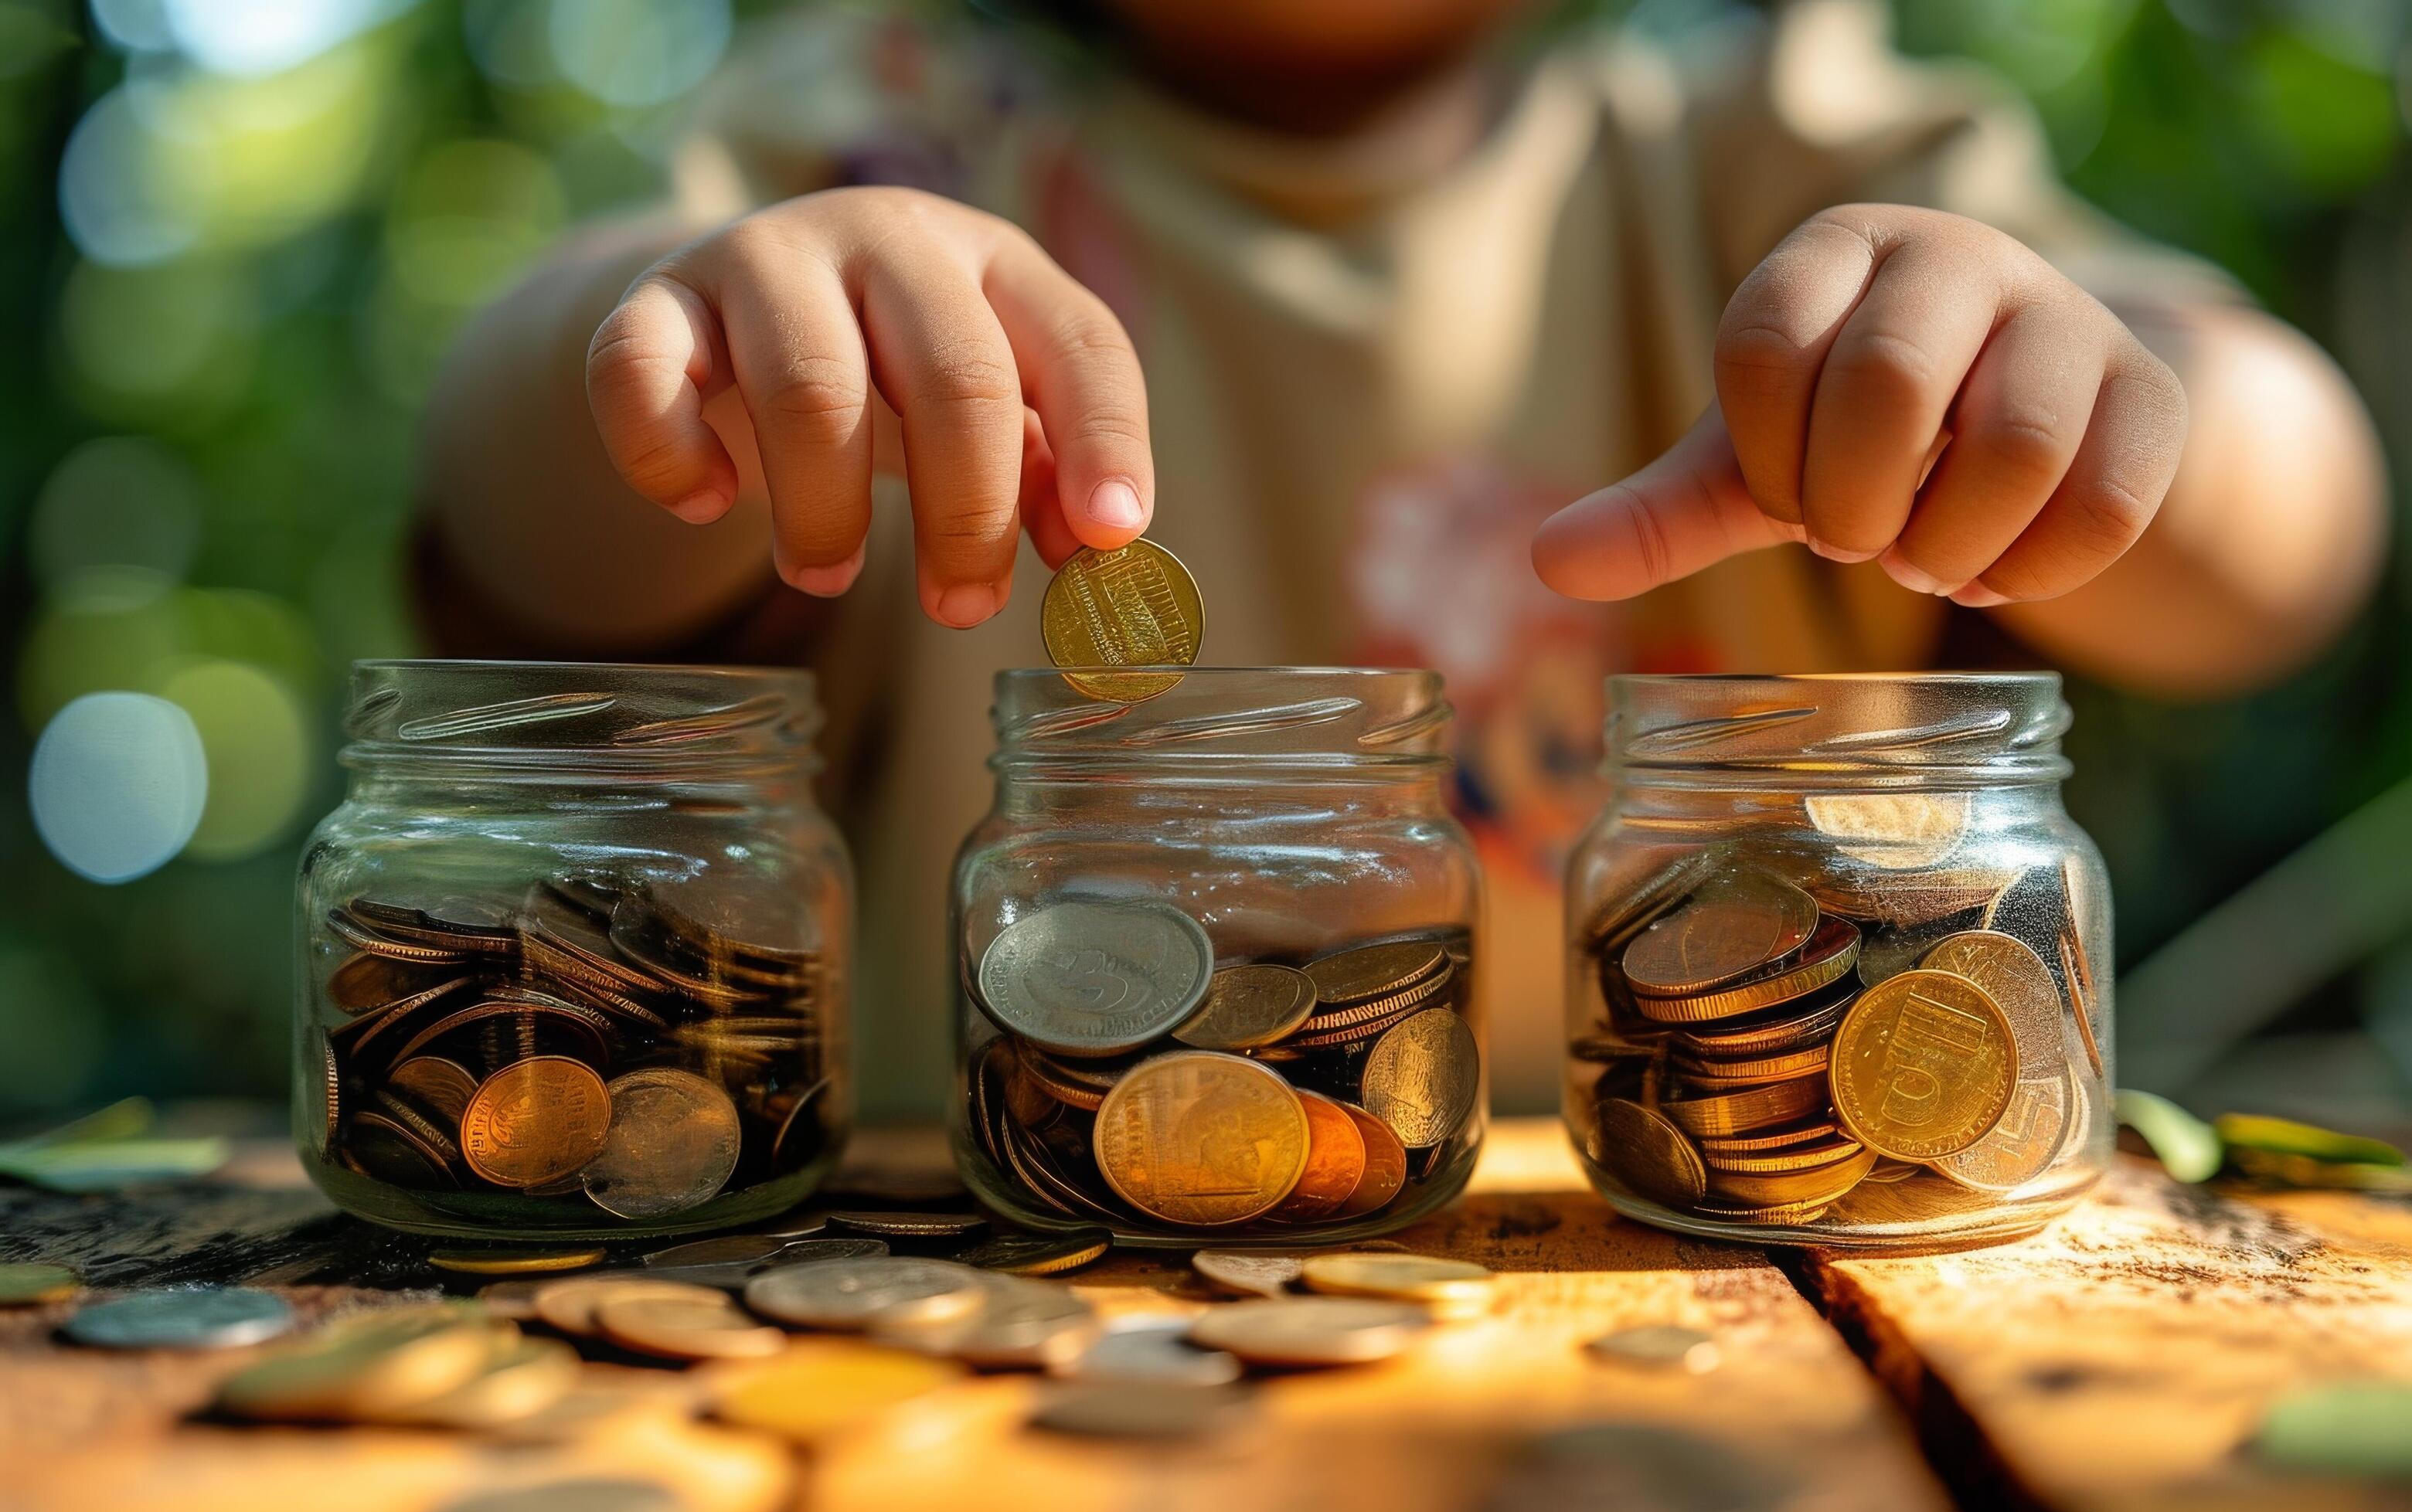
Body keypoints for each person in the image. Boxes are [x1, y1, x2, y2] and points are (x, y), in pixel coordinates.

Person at [419, 0, 2387, 1115]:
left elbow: (2290, 530)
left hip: (1752, 1261)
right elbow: (510, 514)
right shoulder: (866, 129)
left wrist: (2121, 417)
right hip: (1003, 1279)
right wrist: (688, 327)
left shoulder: (1778, 132)